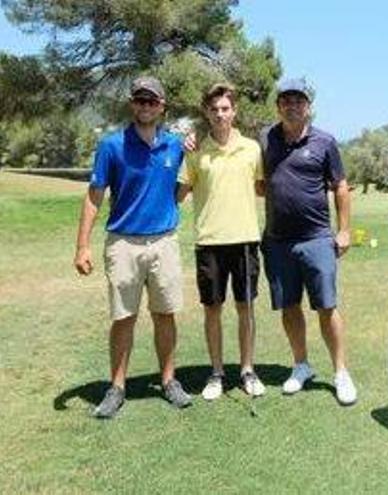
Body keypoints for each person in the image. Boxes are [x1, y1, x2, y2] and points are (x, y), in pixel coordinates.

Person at [74, 76, 192, 419]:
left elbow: (185, 183)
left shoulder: (175, 146)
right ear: (132, 105)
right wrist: (82, 246)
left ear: (162, 107)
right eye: (140, 100)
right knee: (123, 318)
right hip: (123, 243)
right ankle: (117, 387)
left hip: (164, 242)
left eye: (151, 101)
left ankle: (169, 380)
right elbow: (95, 196)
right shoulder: (112, 146)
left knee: (165, 315)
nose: (145, 106)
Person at [259, 77, 357, 405]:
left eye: (298, 100)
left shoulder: (325, 142)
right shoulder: (265, 139)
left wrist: (344, 231)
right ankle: (301, 366)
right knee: (289, 306)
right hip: (277, 241)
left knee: (326, 306)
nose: (292, 105)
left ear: (308, 107)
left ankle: (340, 372)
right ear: (278, 106)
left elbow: (340, 186)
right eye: (286, 100)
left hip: (316, 239)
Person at [177, 83, 265, 400]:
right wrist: (180, 147)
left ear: (234, 111)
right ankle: (216, 373)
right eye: (214, 109)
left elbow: (262, 188)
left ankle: (247, 370)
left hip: (244, 240)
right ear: (207, 113)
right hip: (210, 242)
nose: (220, 114)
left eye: (225, 108)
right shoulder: (196, 151)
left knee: (246, 308)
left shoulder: (253, 149)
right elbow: (180, 192)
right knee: (212, 310)